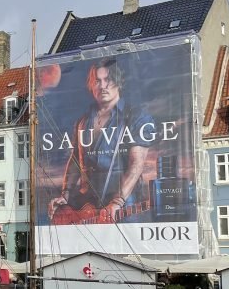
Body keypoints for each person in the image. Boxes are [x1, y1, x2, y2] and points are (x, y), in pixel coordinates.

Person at [48, 58, 154, 224]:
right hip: (87, 208)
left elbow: (136, 165)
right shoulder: (83, 122)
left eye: (108, 80)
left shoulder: (135, 116)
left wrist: (117, 202)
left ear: (118, 81)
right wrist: (65, 194)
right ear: (91, 85)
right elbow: (75, 159)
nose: (103, 86)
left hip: (122, 209)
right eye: (97, 81)